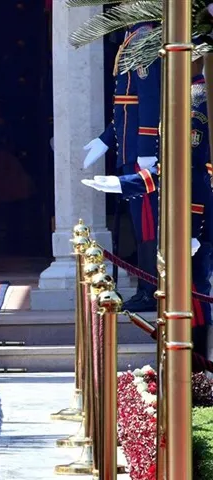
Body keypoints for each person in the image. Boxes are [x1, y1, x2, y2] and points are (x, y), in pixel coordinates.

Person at [82, 57, 212, 362]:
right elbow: (171, 169)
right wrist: (123, 183)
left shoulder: (195, 101)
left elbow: (193, 172)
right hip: (187, 212)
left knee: (194, 290)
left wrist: (193, 228)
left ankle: (196, 368)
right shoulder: (182, 96)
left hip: (198, 216)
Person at [82, 22, 162, 312]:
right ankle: (147, 287)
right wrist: (106, 140)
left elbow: (151, 100)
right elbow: (126, 105)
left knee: (147, 224)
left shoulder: (143, 39)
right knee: (141, 224)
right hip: (130, 149)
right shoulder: (132, 37)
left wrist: (147, 151)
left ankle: (151, 289)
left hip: (140, 153)